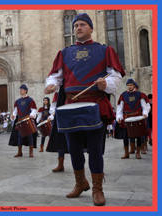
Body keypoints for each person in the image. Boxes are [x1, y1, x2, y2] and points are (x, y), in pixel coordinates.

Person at [44, 13, 125, 206]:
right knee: (74, 148)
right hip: (71, 105)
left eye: (82, 25)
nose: (78, 28)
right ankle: (80, 182)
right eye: (76, 25)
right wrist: (51, 85)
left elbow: (116, 75)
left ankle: (98, 189)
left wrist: (106, 83)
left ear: (90, 28)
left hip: (95, 105)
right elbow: (55, 76)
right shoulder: (64, 53)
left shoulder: (105, 50)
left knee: (95, 148)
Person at [116, 79, 150, 160]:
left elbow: (144, 105)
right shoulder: (123, 95)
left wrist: (145, 113)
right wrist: (119, 117)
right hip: (127, 118)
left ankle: (138, 153)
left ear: (134, 86)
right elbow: (120, 107)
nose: (129, 86)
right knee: (125, 136)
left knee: (138, 136)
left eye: (131, 85)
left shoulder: (140, 94)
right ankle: (126, 153)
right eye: (128, 85)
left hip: (137, 116)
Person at [11, 84, 37, 157]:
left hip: (27, 119)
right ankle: (20, 152)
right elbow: (15, 110)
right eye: (20, 89)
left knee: (29, 135)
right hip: (20, 119)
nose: (20, 91)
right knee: (19, 135)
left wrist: (32, 115)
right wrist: (13, 115)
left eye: (22, 89)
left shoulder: (30, 100)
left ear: (26, 90)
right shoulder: (17, 101)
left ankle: (31, 152)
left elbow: (34, 109)